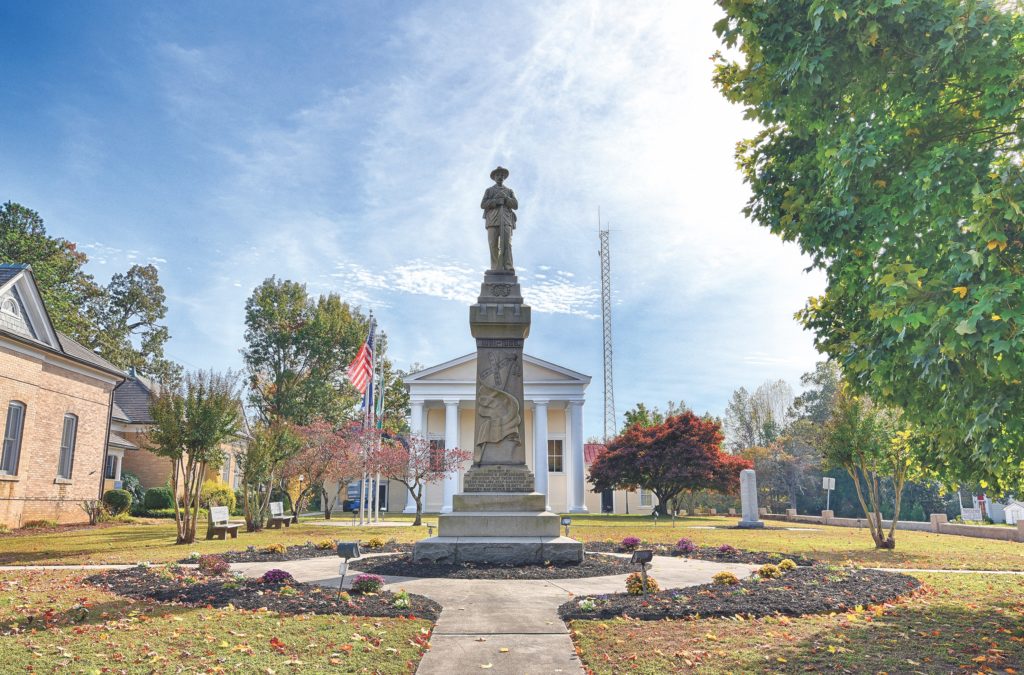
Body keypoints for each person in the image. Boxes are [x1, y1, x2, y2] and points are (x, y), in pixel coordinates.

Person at [480, 166, 518, 272]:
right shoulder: (489, 190)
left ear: (504, 177)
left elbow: (515, 205)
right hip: (492, 220)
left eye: (502, 175)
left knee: (507, 244)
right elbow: (483, 204)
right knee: (493, 245)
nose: (500, 177)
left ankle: (508, 266)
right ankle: (495, 267)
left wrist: (506, 199)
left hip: (506, 220)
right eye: (498, 175)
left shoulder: (509, 191)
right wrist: (495, 201)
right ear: (494, 177)